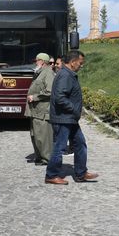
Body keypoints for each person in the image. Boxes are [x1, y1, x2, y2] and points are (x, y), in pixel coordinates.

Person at [45, 50, 99, 185]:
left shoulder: (68, 74)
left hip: (69, 118)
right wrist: (74, 109)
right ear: (73, 62)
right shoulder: (65, 75)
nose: (81, 66)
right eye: (80, 63)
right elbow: (60, 98)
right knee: (60, 147)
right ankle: (51, 175)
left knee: (80, 143)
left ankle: (81, 173)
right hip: (63, 118)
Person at [25, 53, 55, 166]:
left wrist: (35, 97)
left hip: (43, 111)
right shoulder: (39, 72)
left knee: (44, 136)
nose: (35, 62)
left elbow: (50, 90)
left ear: (42, 61)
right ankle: (39, 157)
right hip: (35, 111)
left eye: (36, 60)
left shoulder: (48, 73)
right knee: (36, 135)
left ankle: (46, 158)